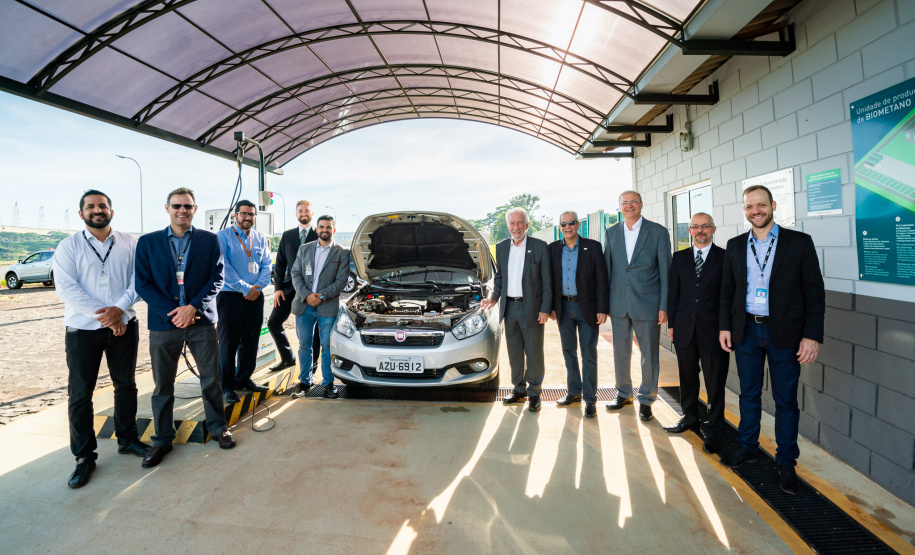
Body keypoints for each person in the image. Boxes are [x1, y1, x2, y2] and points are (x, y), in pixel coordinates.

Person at [718, 185, 825, 495]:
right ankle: (747, 446)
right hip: (747, 332)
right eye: (750, 206)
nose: (756, 211)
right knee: (748, 394)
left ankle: (786, 461)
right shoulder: (736, 245)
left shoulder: (799, 243)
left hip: (786, 334)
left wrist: (811, 336)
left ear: (773, 205)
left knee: (786, 401)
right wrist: (726, 327)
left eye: (761, 205)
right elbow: (728, 291)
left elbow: (814, 293)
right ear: (745, 210)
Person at [135, 187, 236, 468]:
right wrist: (174, 314)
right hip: (164, 323)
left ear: (194, 209)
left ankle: (218, 428)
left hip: (201, 320)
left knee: (211, 379)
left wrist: (192, 307)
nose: (182, 210)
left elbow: (217, 278)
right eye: (177, 206)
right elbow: (143, 284)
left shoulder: (209, 240)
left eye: (188, 206)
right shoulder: (148, 243)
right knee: (162, 385)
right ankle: (162, 439)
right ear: (167, 208)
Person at [53, 190, 148, 488]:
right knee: (81, 394)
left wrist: (120, 310)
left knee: (126, 385)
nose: (97, 210)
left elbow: (140, 279)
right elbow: (67, 289)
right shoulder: (68, 247)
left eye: (102, 205)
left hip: (125, 324)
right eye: (91, 206)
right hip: (83, 330)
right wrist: (106, 317)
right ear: (81, 213)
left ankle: (128, 439)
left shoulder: (129, 242)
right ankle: (84, 457)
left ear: (111, 211)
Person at [604, 190, 671, 421]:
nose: (629, 206)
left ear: (641, 204)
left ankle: (646, 399)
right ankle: (623, 394)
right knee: (620, 352)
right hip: (619, 304)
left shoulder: (658, 232)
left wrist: (664, 305)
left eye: (634, 202)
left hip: (648, 304)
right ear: (619, 206)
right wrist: (605, 305)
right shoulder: (611, 232)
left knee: (649, 355)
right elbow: (607, 270)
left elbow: (666, 271)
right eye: (625, 203)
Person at [665, 212, 729, 453]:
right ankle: (689, 418)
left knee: (714, 383)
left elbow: (727, 296)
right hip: (684, 329)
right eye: (695, 227)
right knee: (687, 378)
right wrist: (672, 324)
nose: (700, 231)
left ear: (713, 229)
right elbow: (674, 293)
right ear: (689, 231)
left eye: (705, 226)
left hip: (714, 331)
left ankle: (714, 429)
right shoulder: (679, 257)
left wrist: (726, 327)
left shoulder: (725, 257)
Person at [481, 207, 552, 412]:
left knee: (534, 352)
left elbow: (547, 281)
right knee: (513, 352)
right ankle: (518, 389)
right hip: (509, 308)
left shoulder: (539, 247)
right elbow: (500, 277)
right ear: (508, 226)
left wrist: (545, 308)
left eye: (519, 223)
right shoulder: (502, 247)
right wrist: (494, 298)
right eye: (512, 223)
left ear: (527, 224)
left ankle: (534, 393)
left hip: (532, 309)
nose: (516, 227)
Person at [548, 210, 608, 418]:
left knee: (588, 354)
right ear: (559, 227)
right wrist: (551, 307)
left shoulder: (592, 247)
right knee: (569, 352)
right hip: (563, 308)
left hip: (588, 309)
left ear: (578, 224)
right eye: (563, 224)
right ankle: (574, 392)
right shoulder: (553, 249)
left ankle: (590, 399)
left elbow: (602, 280)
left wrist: (602, 309)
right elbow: (550, 281)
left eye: (571, 223)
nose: (567, 227)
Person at [216, 200, 273, 405]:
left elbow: (267, 264)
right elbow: (224, 267)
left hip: (255, 296)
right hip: (230, 297)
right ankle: (227, 386)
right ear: (235, 215)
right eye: (244, 214)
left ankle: (244, 379)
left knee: (250, 341)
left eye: (251, 214)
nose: (248, 218)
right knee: (228, 344)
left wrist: (257, 287)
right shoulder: (223, 237)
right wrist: (245, 288)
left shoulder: (260, 238)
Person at [290, 215, 350, 399]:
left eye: (328, 227)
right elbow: (295, 273)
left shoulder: (341, 252)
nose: (325, 230)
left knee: (327, 347)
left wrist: (321, 296)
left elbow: (341, 281)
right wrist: (307, 295)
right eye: (321, 227)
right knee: (304, 346)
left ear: (334, 230)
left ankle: (328, 383)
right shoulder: (304, 249)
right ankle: (305, 382)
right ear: (316, 229)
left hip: (327, 307)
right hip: (304, 305)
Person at [268, 200, 319, 373]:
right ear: (296, 213)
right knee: (274, 322)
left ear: (312, 213)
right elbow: (280, 263)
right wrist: (278, 289)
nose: (303, 213)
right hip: (289, 288)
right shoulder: (288, 235)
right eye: (300, 211)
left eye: (307, 210)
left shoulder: (319, 234)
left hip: (312, 290)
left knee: (312, 330)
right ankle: (287, 358)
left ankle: (312, 366)